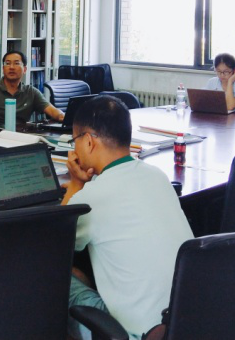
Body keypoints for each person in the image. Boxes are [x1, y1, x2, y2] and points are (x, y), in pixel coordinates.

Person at [63, 96, 193, 339]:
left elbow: (54, 247)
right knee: (79, 272)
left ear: (88, 141)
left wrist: (76, 184)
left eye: (75, 141)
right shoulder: (157, 176)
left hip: (132, 335)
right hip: (183, 325)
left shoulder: (93, 197)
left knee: (54, 276)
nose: (74, 149)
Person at [0, 50, 65, 128]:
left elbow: (53, 111)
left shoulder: (31, 92)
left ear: (25, 69)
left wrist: (62, 116)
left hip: (22, 137)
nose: (11, 67)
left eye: (16, 63)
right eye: (7, 63)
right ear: (3, 69)